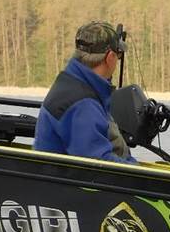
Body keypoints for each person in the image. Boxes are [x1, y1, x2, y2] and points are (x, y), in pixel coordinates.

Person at [34, 21, 137, 163]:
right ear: (110, 57)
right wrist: (136, 169)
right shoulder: (83, 103)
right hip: (68, 183)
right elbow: (98, 165)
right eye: (118, 55)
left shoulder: (71, 83)